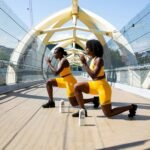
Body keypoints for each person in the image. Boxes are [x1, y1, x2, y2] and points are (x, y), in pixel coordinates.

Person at [72, 39, 137, 118]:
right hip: (95, 85)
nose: (86, 49)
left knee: (108, 114)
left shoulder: (99, 60)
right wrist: (85, 63)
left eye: (87, 48)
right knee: (77, 87)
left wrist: (84, 63)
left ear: (93, 49)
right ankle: (82, 111)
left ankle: (131, 107)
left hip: (103, 87)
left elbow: (93, 75)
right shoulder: (93, 59)